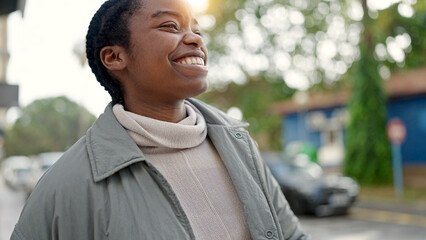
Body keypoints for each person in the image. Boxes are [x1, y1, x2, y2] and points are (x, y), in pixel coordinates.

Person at [11, 0, 310, 239]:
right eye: (170, 26)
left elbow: (291, 235)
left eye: (197, 29)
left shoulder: (239, 145)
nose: (194, 38)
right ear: (115, 57)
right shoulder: (65, 186)